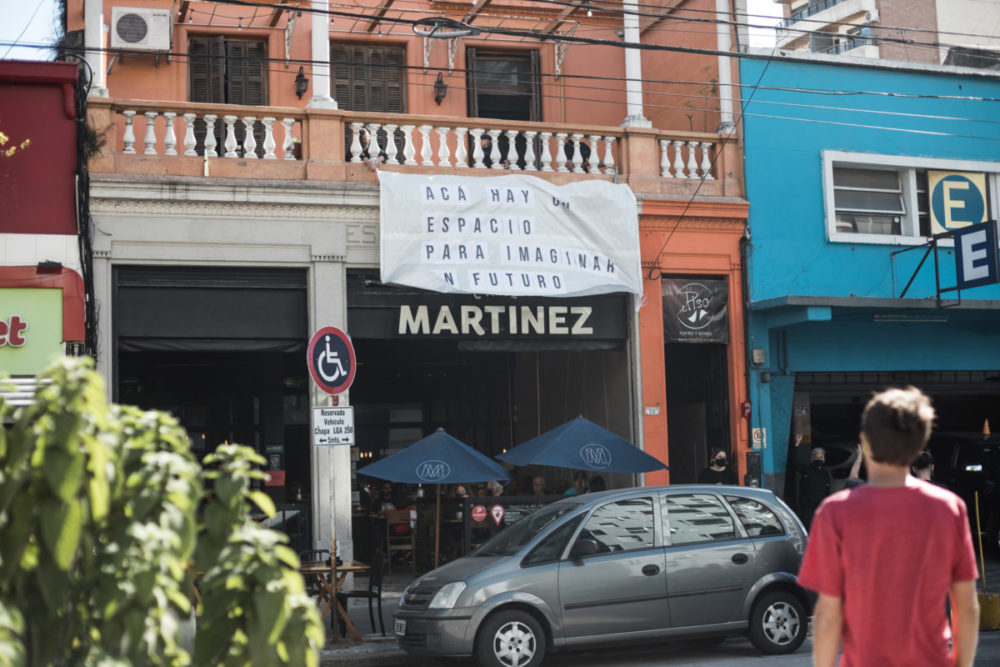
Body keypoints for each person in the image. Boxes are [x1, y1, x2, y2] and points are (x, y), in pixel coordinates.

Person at [798, 387, 979, 667]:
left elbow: (828, 615)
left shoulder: (834, 513)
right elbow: (966, 607)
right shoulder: (949, 508)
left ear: (866, 444)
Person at [790, 434, 832, 529]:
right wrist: (796, 444)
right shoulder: (806, 470)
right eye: (816, 457)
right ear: (812, 459)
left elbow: (827, 491)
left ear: (824, 459)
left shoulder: (825, 473)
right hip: (807, 509)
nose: (819, 459)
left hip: (821, 508)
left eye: (821, 457)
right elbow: (793, 462)